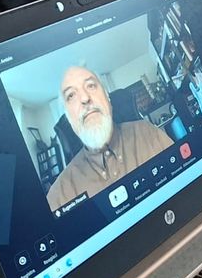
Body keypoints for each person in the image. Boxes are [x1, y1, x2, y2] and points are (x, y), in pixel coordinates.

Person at [47, 66, 173, 210]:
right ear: (69, 119)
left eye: (91, 85)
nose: (85, 98)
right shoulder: (58, 196)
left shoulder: (147, 132)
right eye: (71, 95)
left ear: (107, 98)